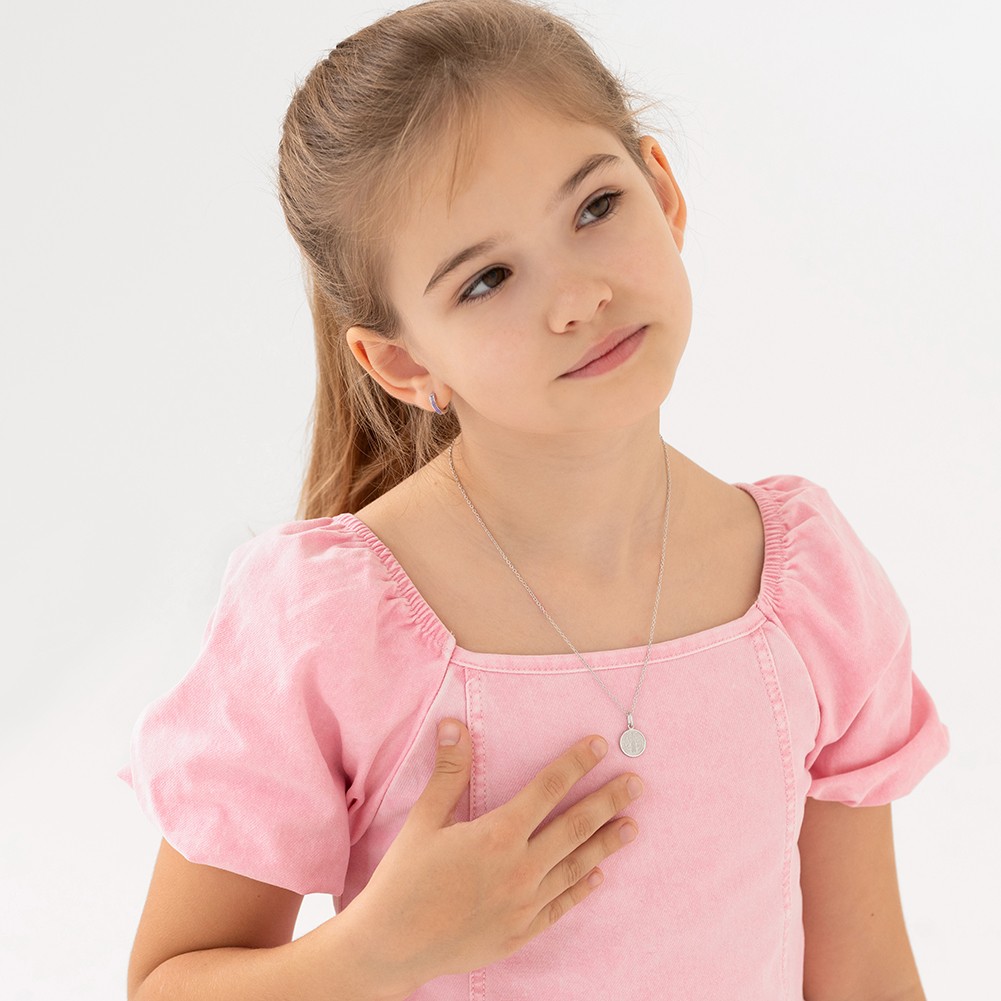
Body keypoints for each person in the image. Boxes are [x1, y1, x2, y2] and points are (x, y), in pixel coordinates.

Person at [119, 1, 951, 998]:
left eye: (594, 207)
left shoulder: (809, 588)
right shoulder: (330, 625)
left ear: (663, 192)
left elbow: (864, 974)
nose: (576, 298)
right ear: (402, 363)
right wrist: (376, 950)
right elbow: (167, 982)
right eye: (486, 279)